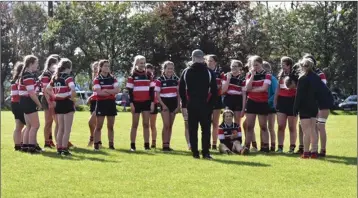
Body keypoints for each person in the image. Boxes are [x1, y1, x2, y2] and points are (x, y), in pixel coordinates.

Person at [179, 49, 218, 159]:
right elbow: (215, 91)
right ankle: (205, 153)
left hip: (191, 105)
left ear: (192, 58)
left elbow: (181, 90)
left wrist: (185, 104)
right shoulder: (209, 72)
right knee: (205, 130)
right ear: (203, 58)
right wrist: (211, 105)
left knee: (193, 129)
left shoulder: (186, 71)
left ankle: (195, 153)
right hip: (205, 105)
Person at [303, 54, 333, 157]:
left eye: (306, 64)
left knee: (320, 126)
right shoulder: (305, 75)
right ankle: (313, 149)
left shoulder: (320, 74)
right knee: (313, 126)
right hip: (313, 103)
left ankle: (323, 150)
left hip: (323, 103)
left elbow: (322, 89)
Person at [241, 55, 271, 155]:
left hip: (262, 102)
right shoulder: (250, 74)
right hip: (251, 102)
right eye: (253, 65)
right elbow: (246, 87)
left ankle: (265, 147)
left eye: (257, 65)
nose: (255, 67)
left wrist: (251, 90)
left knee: (263, 126)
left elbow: (264, 88)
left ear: (261, 64)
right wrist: (252, 76)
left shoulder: (267, 74)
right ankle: (247, 147)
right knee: (249, 126)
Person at [46, 58, 76, 155]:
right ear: (69, 67)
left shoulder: (55, 77)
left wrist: (54, 96)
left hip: (58, 104)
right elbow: (73, 88)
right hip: (66, 102)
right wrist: (73, 98)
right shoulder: (67, 77)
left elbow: (47, 89)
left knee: (60, 128)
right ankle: (64, 148)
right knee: (67, 129)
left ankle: (59, 148)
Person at [293, 58, 322, 159]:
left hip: (304, 106)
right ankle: (314, 152)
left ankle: (305, 153)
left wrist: (295, 108)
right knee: (313, 130)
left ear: (302, 66)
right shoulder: (317, 78)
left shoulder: (302, 79)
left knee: (306, 131)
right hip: (314, 106)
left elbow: (299, 95)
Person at [126, 55, 155, 151]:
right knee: (135, 124)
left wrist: (152, 102)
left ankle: (147, 145)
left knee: (146, 124)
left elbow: (152, 90)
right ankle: (132, 145)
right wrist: (131, 103)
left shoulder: (149, 75)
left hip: (146, 102)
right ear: (136, 63)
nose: (142, 65)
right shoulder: (132, 75)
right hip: (136, 102)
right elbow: (129, 91)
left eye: (144, 63)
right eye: (140, 63)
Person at [92, 59, 120, 151]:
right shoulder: (97, 79)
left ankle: (111, 145)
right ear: (100, 67)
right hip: (101, 103)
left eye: (108, 66)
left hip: (111, 103)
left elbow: (117, 90)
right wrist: (111, 92)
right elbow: (99, 93)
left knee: (110, 126)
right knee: (99, 125)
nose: (107, 68)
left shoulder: (113, 78)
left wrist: (106, 91)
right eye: (105, 66)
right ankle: (96, 145)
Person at [273, 56, 298, 153]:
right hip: (281, 101)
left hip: (292, 101)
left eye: (283, 65)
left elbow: (297, 89)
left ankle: (292, 148)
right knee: (281, 126)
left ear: (289, 65)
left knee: (292, 127)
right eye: (281, 64)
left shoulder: (295, 75)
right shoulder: (281, 74)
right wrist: (275, 100)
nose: (282, 66)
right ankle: (280, 147)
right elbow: (278, 89)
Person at [18, 55, 42, 153]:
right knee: (35, 125)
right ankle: (32, 147)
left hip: (24, 101)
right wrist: (39, 104)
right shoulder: (27, 75)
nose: (37, 65)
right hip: (28, 101)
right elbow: (31, 93)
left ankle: (25, 146)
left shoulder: (26, 74)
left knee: (29, 126)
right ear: (31, 64)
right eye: (36, 63)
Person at [155, 61, 180, 151]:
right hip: (164, 102)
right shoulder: (160, 80)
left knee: (170, 125)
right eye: (168, 68)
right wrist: (162, 105)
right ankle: (164, 145)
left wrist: (178, 105)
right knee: (166, 124)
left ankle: (168, 144)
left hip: (173, 102)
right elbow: (157, 94)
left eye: (172, 68)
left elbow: (178, 94)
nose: (170, 70)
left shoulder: (176, 79)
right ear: (164, 69)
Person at [40, 54, 59, 148]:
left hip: (54, 99)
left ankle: (51, 140)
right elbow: (44, 89)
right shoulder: (46, 73)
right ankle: (47, 142)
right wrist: (49, 101)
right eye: (57, 63)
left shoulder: (54, 74)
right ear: (52, 64)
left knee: (54, 122)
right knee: (48, 122)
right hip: (47, 99)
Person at [205, 54, 224, 150]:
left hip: (217, 98)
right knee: (207, 122)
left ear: (215, 62)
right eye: (208, 60)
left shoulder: (220, 72)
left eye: (211, 61)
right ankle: (206, 143)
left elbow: (222, 86)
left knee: (215, 123)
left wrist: (216, 89)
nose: (209, 62)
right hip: (206, 99)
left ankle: (214, 144)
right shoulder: (204, 71)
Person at [221, 60, 246, 125]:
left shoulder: (243, 78)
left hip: (238, 99)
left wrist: (243, 109)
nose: (233, 68)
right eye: (232, 66)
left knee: (237, 122)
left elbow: (244, 94)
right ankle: (227, 135)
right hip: (228, 99)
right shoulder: (226, 76)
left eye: (235, 66)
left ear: (240, 67)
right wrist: (228, 79)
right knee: (227, 120)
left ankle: (238, 135)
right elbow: (223, 90)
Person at [262, 61, 278, 152]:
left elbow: (275, 92)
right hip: (262, 104)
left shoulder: (272, 79)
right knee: (263, 126)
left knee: (270, 126)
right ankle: (264, 144)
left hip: (270, 106)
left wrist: (268, 101)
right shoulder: (261, 78)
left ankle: (273, 145)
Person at [10, 62, 26, 151]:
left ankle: (17, 146)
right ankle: (26, 143)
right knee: (31, 125)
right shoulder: (20, 80)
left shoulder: (14, 80)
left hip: (14, 104)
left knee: (18, 126)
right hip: (20, 104)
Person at [145, 63, 159, 149]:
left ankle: (153, 142)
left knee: (152, 124)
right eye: (147, 69)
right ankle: (146, 142)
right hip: (144, 103)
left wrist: (153, 103)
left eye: (150, 69)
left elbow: (155, 94)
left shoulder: (155, 81)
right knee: (145, 124)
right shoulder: (143, 79)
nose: (149, 70)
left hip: (153, 103)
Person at [87, 61, 100, 147]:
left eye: (97, 68)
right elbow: (95, 92)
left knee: (91, 123)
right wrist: (91, 97)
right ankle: (98, 142)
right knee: (96, 124)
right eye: (94, 68)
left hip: (99, 102)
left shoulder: (101, 78)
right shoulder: (94, 78)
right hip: (94, 102)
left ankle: (92, 139)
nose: (95, 70)